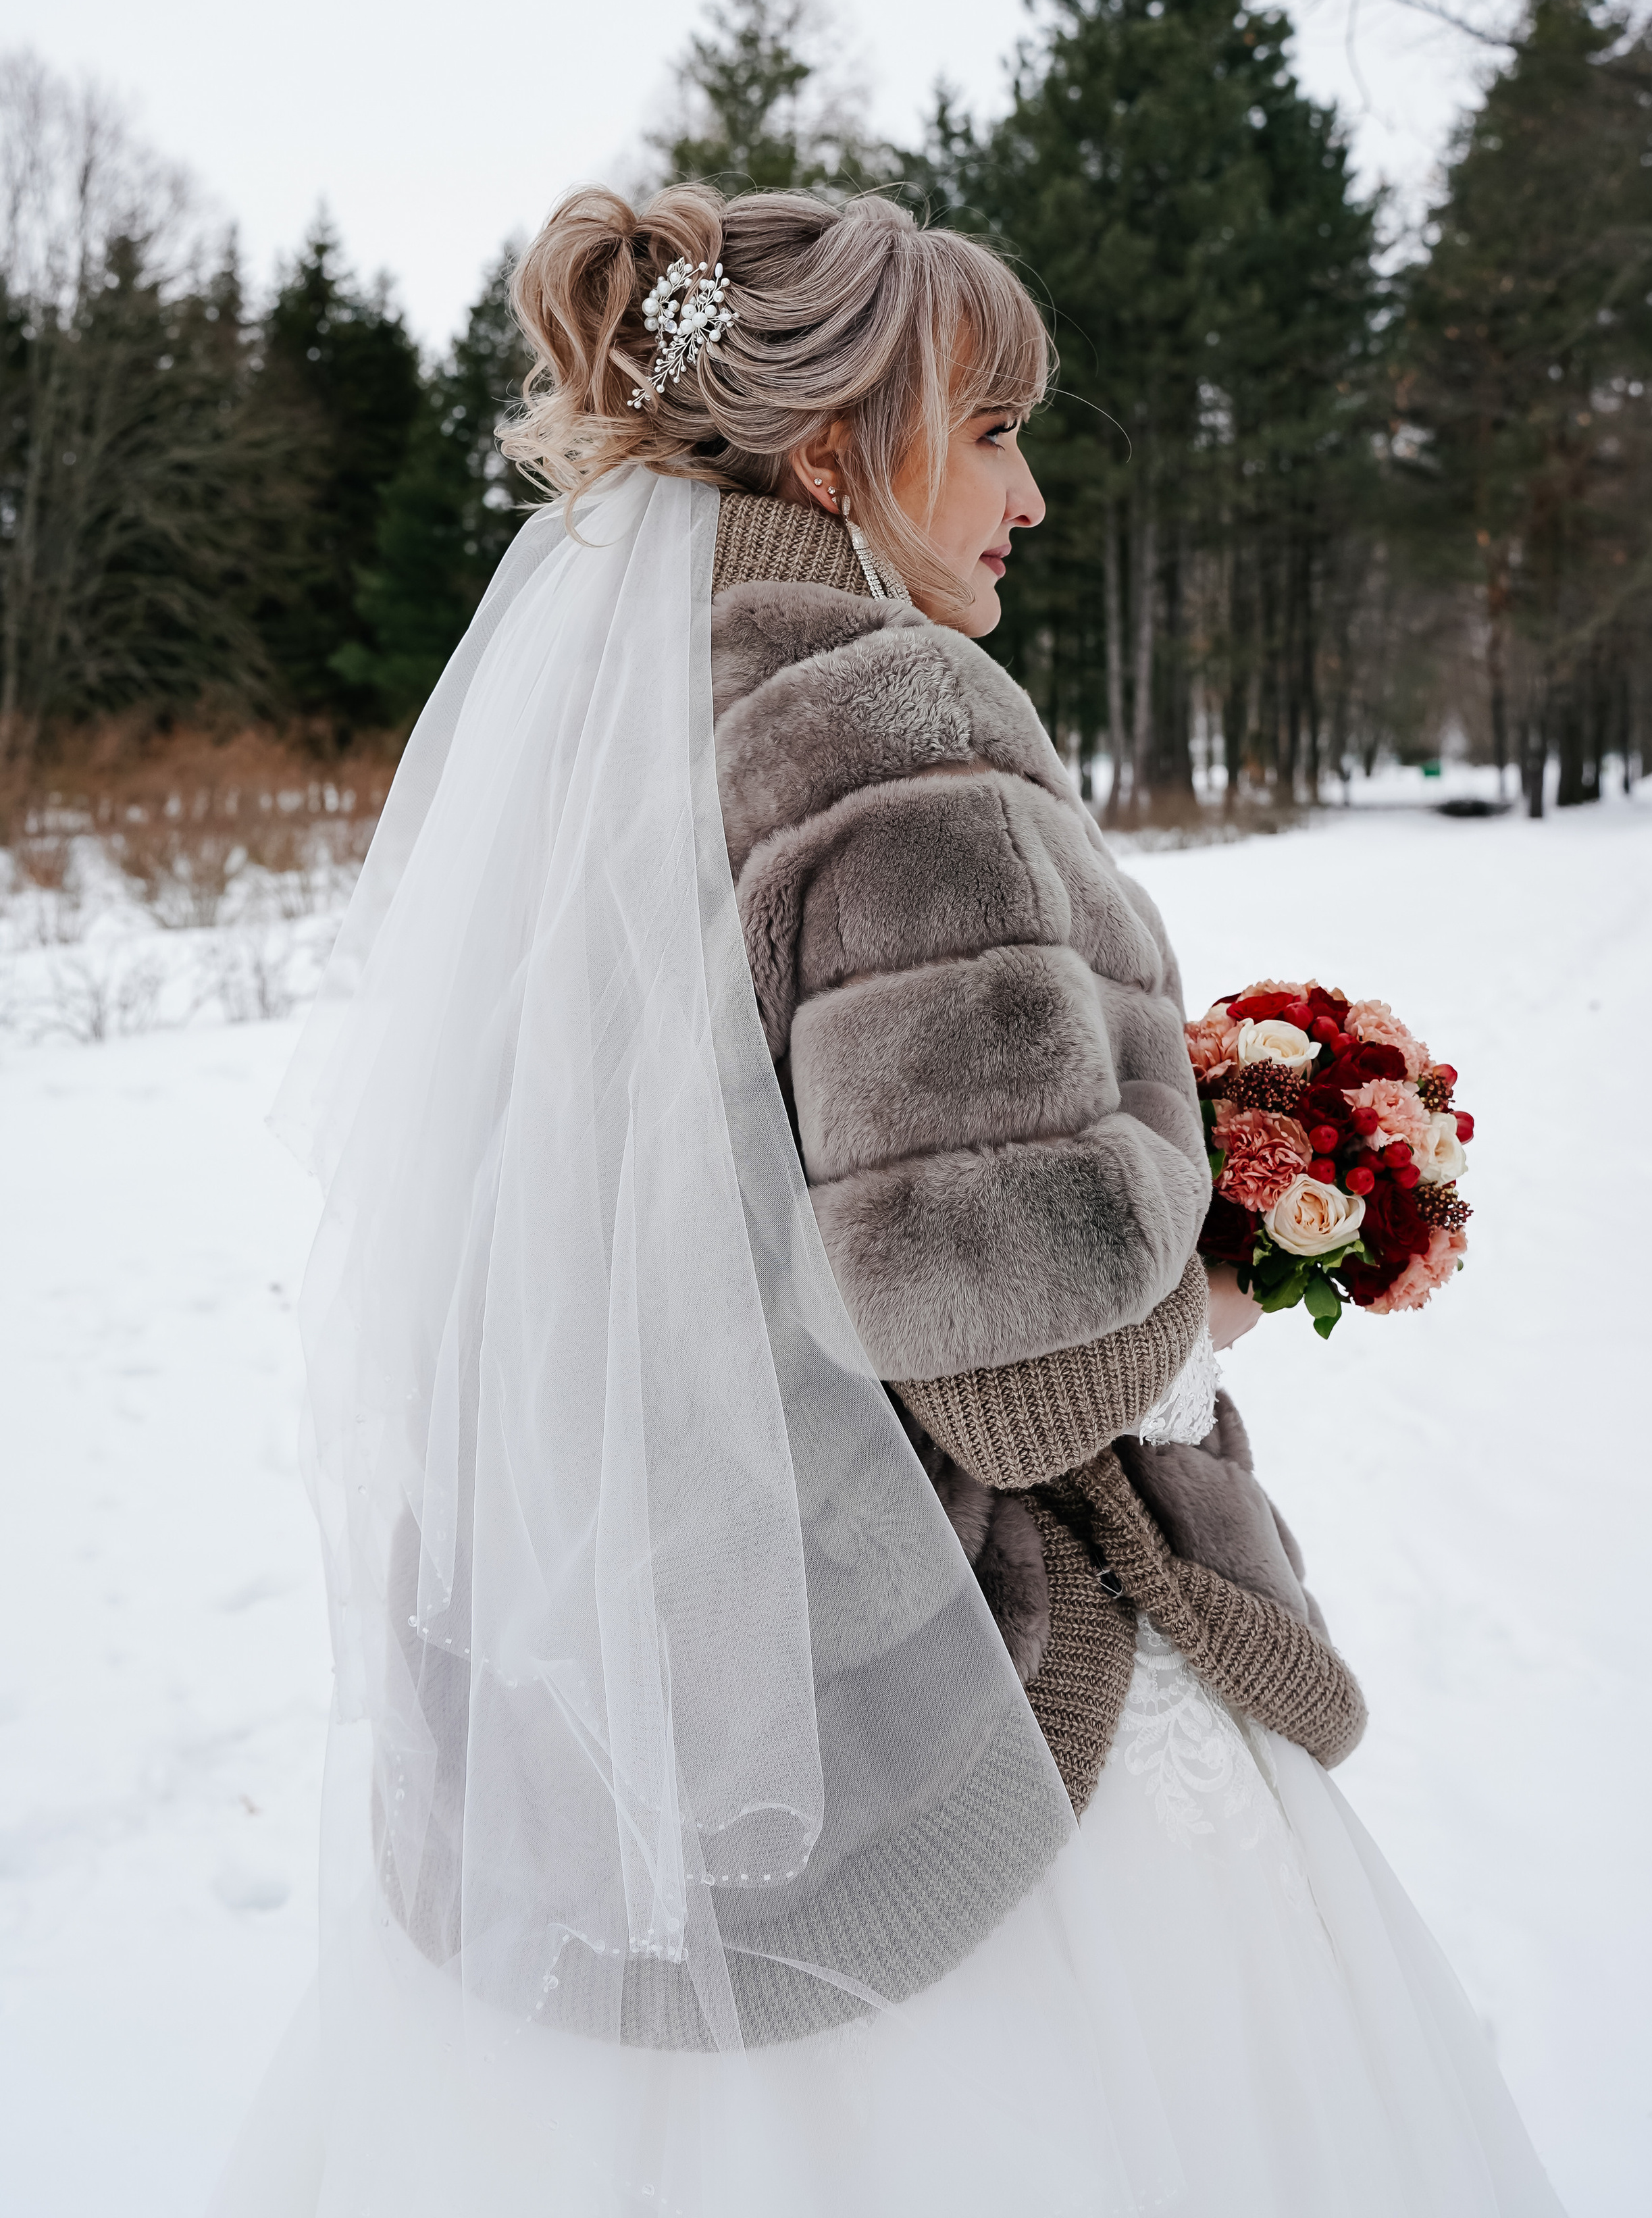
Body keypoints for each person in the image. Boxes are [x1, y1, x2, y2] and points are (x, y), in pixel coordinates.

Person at [210, 184, 1564, 2217]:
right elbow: (1020, 1375)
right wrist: (1220, 1242)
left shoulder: (614, 708)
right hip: (917, 1709)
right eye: (994, 427)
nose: (1029, 486)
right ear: (837, 452)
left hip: (632, 1690)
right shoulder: (889, 719)